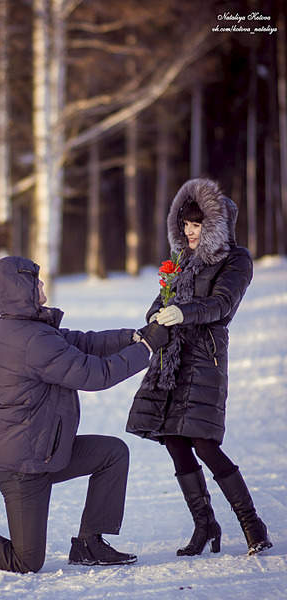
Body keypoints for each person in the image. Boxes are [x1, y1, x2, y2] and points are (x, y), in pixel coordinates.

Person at [0, 255, 169, 573]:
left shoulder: (24, 328)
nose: (42, 284)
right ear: (20, 290)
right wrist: (146, 349)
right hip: (23, 467)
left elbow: (81, 342)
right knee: (26, 560)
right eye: (36, 281)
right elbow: (94, 374)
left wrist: (134, 336)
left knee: (112, 453)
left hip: (45, 452)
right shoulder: (31, 340)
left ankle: (90, 544)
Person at [126, 178, 272, 557]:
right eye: (186, 225)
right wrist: (155, 316)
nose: (190, 232)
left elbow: (223, 304)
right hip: (171, 361)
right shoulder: (180, 263)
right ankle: (205, 525)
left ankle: (252, 524)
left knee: (205, 444)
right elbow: (158, 304)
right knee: (174, 441)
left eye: (198, 225)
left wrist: (184, 312)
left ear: (215, 226)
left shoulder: (235, 259)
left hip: (204, 359)